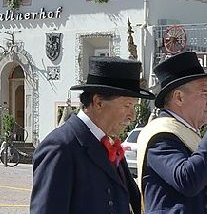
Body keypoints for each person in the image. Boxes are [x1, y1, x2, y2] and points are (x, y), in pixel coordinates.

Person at [30, 57, 153, 214]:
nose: (132, 116)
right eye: (127, 105)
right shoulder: (61, 146)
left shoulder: (109, 144)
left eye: (134, 106)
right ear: (98, 102)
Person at [133, 52, 207, 214]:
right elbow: (187, 179)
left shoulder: (185, 133)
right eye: (204, 93)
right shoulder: (160, 136)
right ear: (179, 97)